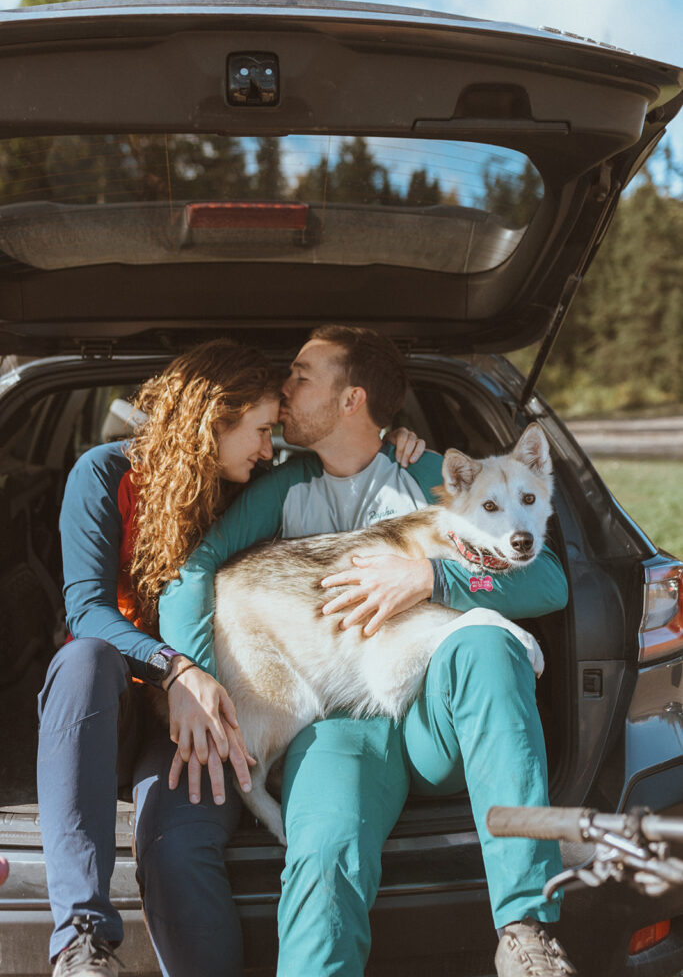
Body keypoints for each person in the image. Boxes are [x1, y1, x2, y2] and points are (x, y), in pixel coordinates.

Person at [158, 325, 576, 977]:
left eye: (300, 376)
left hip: (433, 721)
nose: (284, 387)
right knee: (324, 855)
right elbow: (191, 574)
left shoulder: (433, 472)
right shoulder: (285, 487)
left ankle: (524, 929)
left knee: (490, 648)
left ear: (351, 399)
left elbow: (546, 581)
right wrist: (189, 674)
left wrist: (432, 578)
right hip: (339, 728)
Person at [39, 337, 421, 977]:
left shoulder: (259, 488)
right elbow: (85, 610)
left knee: (174, 848)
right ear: (214, 418)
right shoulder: (104, 473)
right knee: (86, 659)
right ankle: (81, 942)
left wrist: (398, 439)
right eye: (263, 430)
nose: (272, 448)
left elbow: (342, 461)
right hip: (111, 711)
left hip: (202, 715)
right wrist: (176, 668)